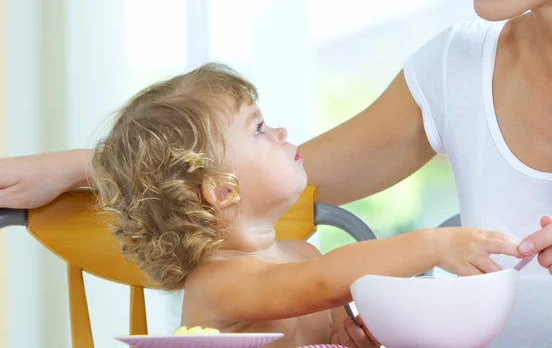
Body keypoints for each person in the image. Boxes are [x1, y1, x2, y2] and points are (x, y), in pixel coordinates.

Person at [1, 0, 552, 346]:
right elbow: (264, 192)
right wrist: (97, 163)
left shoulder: (293, 251)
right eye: (262, 127)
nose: (279, 135)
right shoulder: (456, 68)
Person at [75, 62, 519, 348]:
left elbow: (323, 286)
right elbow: (324, 280)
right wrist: (432, 246)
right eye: (259, 129)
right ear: (223, 190)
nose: (282, 132)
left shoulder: (303, 253)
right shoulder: (216, 284)